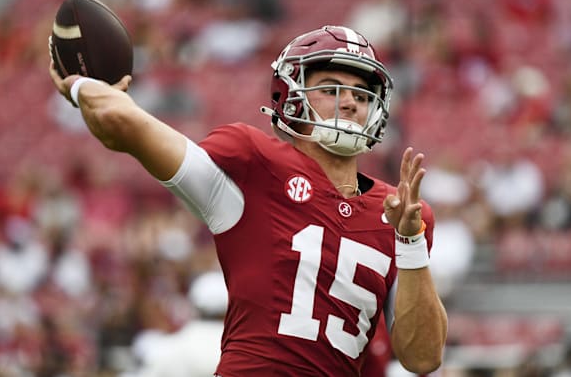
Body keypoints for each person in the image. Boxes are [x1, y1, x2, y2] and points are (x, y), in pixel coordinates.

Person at [49, 25, 448, 375]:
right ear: (292, 94)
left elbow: (423, 358)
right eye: (331, 89)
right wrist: (87, 86)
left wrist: (411, 242)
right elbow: (122, 126)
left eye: (363, 94)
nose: (350, 102)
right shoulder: (256, 165)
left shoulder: (401, 214)